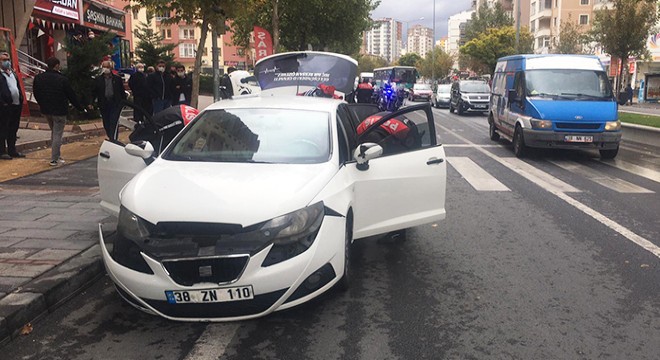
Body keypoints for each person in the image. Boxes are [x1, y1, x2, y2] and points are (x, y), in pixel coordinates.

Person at [33, 57, 86, 166]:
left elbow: (36, 93)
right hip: (59, 110)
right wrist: (80, 108)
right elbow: (71, 95)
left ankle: (56, 155)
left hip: (46, 110)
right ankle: (54, 158)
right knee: (57, 133)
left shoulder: (39, 78)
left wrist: (41, 104)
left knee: (54, 131)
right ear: (56, 65)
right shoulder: (62, 79)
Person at [91, 60, 126, 140]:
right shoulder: (98, 79)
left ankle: (114, 138)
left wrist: (123, 102)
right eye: (104, 67)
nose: (105, 69)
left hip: (114, 103)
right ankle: (110, 136)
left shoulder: (117, 79)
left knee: (114, 121)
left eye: (107, 67)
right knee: (106, 122)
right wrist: (91, 102)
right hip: (104, 103)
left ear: (111, 68)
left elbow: (121, 91)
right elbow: (94, 92)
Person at [0, 51, 25, 159]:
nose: (7, 62)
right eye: (4, 60)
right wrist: (3, 103)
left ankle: (12, 150)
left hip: (16, 105)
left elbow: (17, 87)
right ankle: (2, 151)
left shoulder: (12, 74)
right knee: (3, 129)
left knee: (13, 129)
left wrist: (21, 98)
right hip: (5, 106)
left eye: (8, 59)